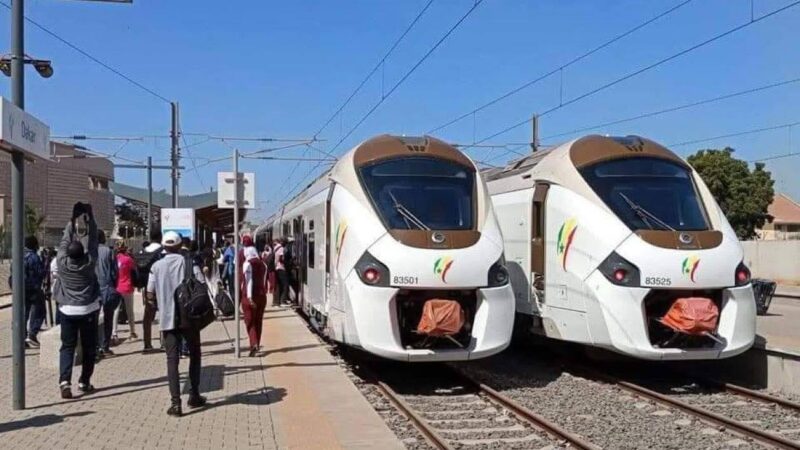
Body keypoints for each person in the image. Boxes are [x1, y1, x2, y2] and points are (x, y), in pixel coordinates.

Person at [146, 231, 207, 417]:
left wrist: (160, 304)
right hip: (189, 318)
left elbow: (150, 294)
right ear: (180, 246)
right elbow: (202, 285)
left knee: (172, 360)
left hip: (167, 319)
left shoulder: (155, 266)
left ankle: (175, 404)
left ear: (164, 246)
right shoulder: (189, 263)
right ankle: (194, 395)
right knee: (195, 354)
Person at [54, 202, 101, 399]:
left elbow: (65, 240)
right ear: (82, 254)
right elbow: (92, 241)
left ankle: (65, 381)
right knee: (90, 346)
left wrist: (71, 221)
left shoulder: (62, 263)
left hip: (67, 310)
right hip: (88, 309)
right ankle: (84, 381)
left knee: (67, 346)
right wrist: (89, 219)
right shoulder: (89, 263)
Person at [136, 230, 163, 353]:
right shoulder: (162, 251)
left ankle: (147, 343)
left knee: (148, 315)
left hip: (146, 288)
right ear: (160, 237)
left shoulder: (143, 251)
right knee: (163, 313)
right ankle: (163, 342)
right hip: (161, 286)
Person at [96, 230, 119, 358]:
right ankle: (105, 346)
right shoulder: (109, 252)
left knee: (93, 318)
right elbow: (115, 272)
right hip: (107, 287)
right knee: (108, 318)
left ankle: (94, 347)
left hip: (93, 289)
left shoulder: (89, 251)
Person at [242, 246, 267, 357]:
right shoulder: (264, 265)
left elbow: (249, 281)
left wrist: (249, 297)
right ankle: (257, 343)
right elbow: (264, 281)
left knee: (249, 321)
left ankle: (254, 344)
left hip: (250, 297)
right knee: (258, 321)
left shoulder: (247, 264)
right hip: (262, 296)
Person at [22, 236, 46, 348]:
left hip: (21, 289)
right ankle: (32, 333)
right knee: (40, 311)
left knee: (23, 313)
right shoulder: (34, 257)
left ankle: (21, 337)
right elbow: (40, 273)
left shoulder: (19, 255)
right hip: (34, 288)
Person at [113, 241, 138, 342]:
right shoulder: (128, 259)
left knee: (115, 311)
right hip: (127, 286)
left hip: (117, 287)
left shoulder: (114, 259)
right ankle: (132, 331)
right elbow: (135, 269)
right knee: (130, 311)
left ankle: (114, 333)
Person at [274, 239, 289, 306]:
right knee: (285, 284)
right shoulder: (281, 249)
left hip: (276, 268)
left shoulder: (276, 247)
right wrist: (286, 263)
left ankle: (277, 301)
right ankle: (283, 301)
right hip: (281, 268)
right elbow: (281, 259)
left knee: (279, 285)